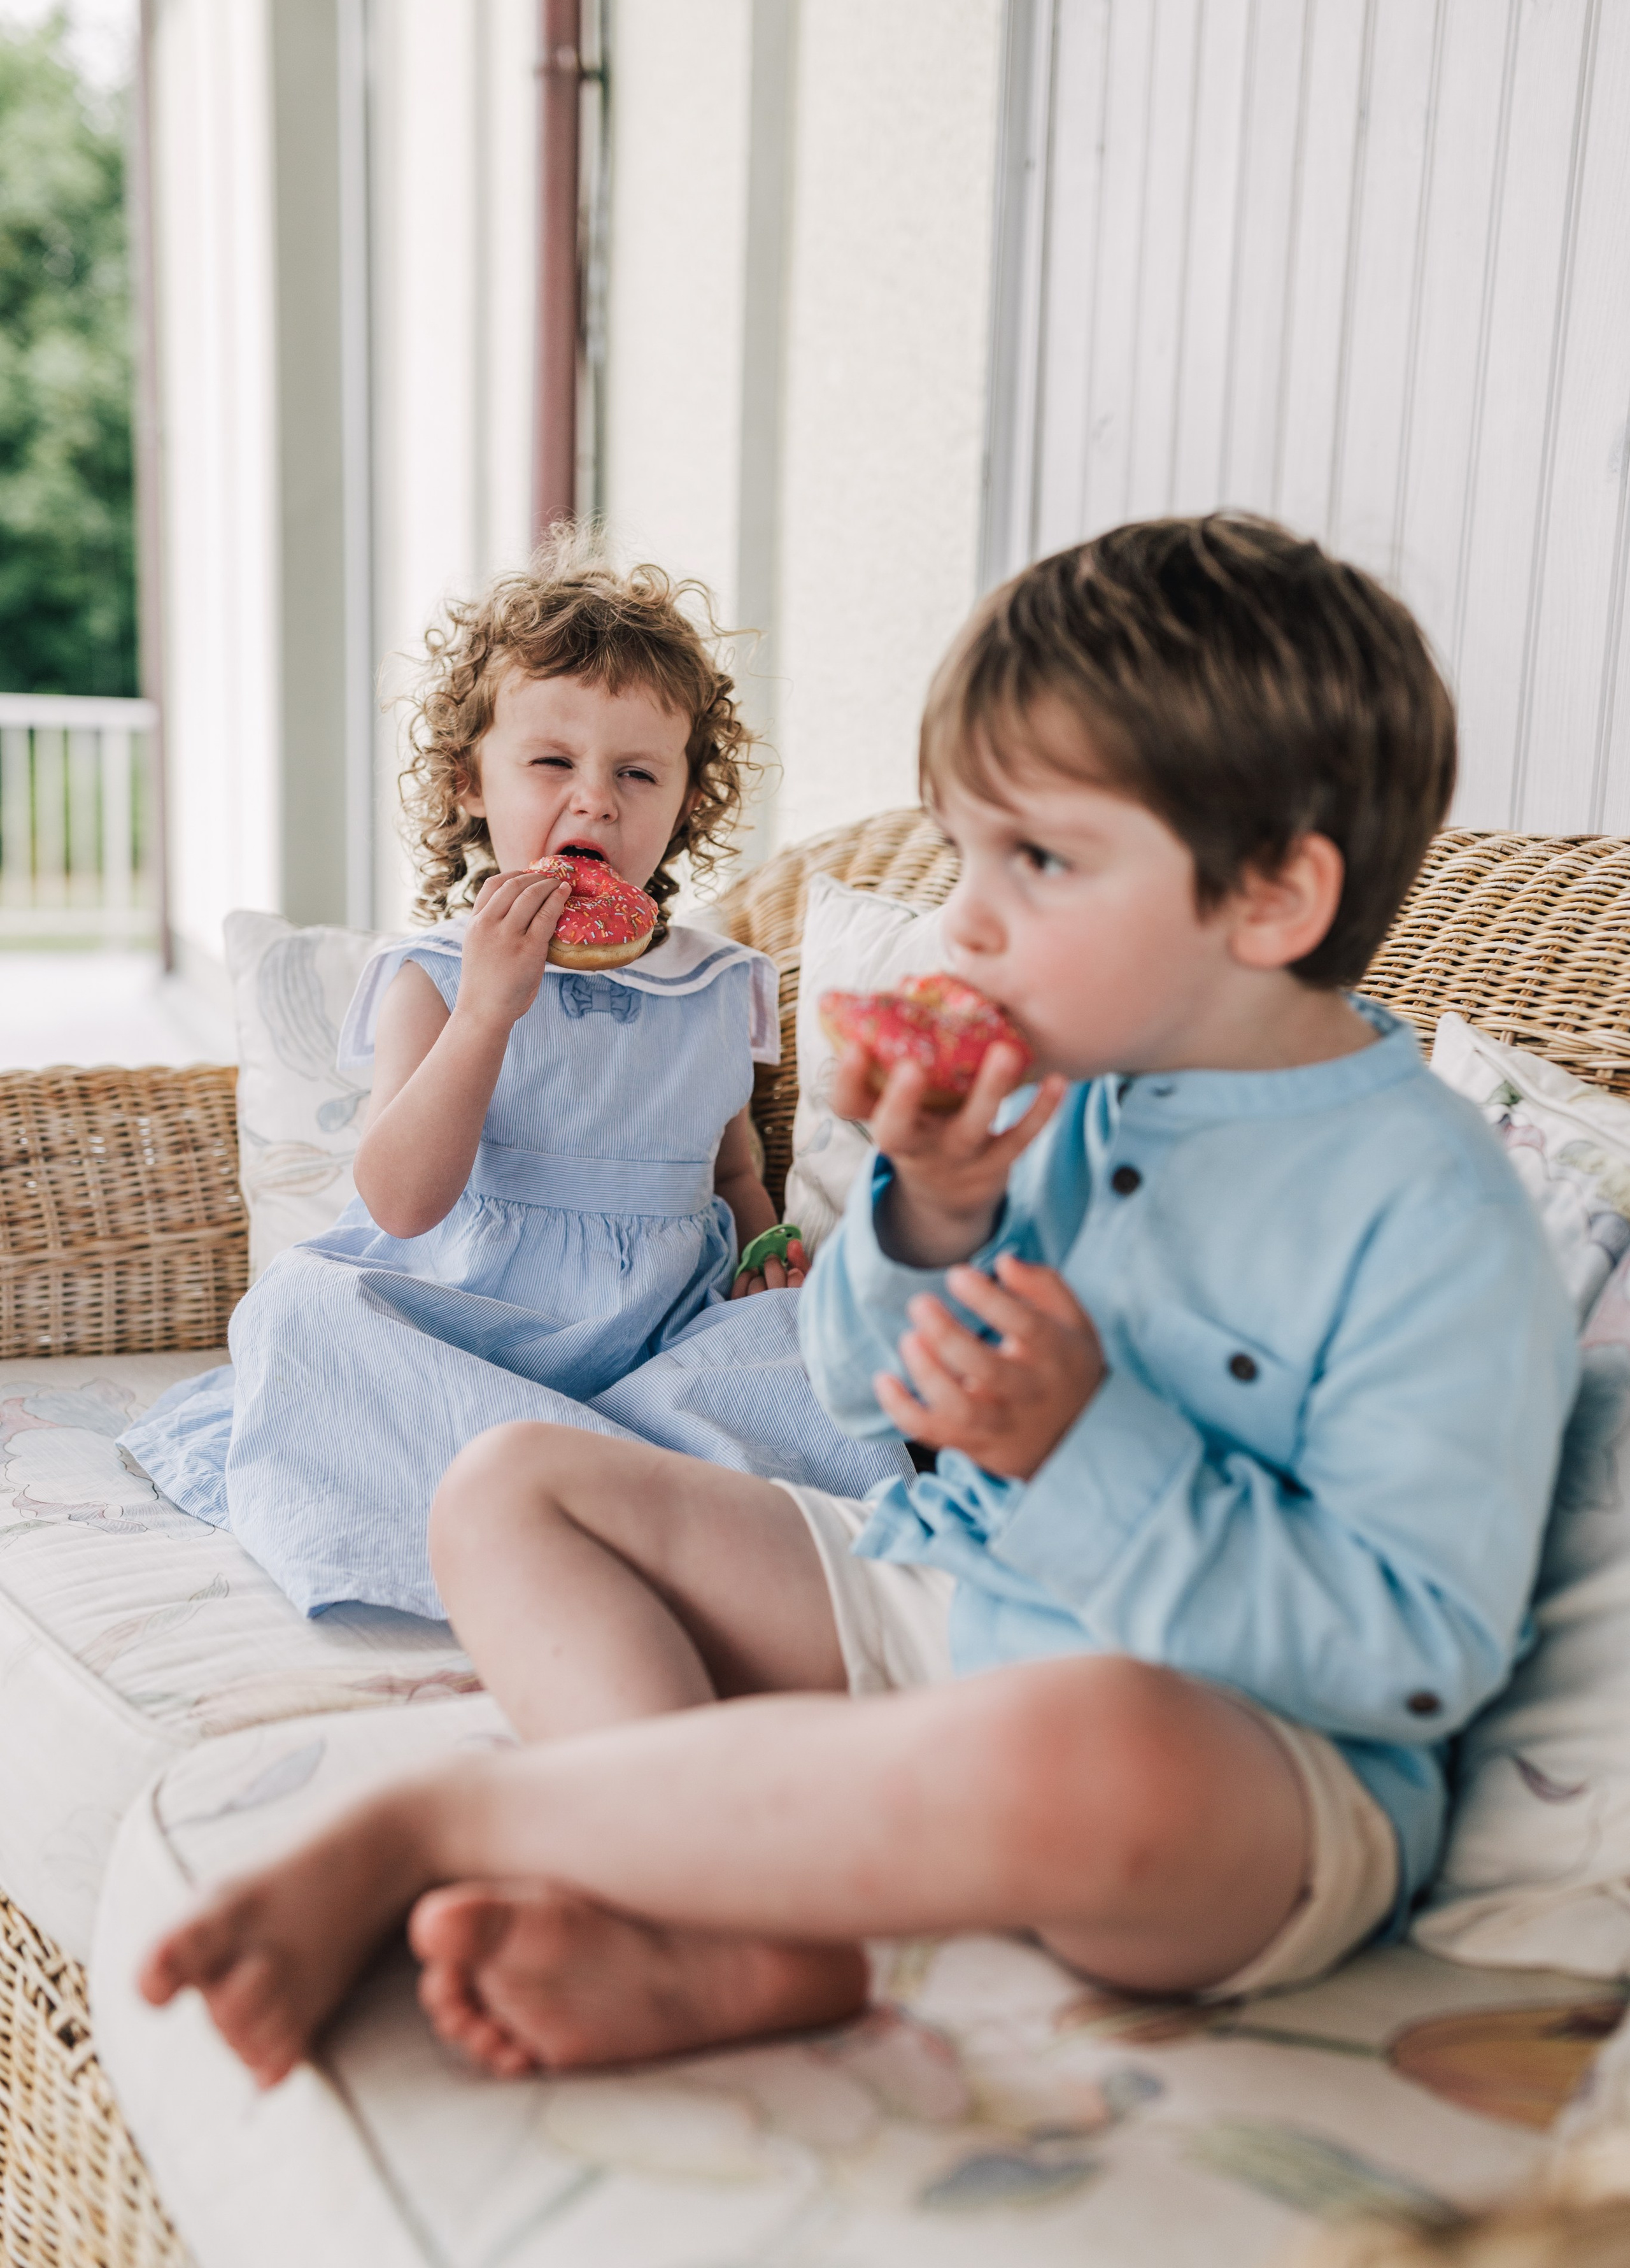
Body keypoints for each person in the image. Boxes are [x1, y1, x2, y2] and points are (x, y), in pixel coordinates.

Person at [139, 514, 1578, 2090]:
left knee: (1098, 1740)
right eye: (960, 854)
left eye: (1030, 861)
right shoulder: (1084, 1100)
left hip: (1255, 1766)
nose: (958, 923)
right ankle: (727, 1923)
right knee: (507, 1486)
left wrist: (1083, 1448)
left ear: (1272, 900)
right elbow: (861, 1384)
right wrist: (933, 1210)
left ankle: (477, 1821)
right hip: (976, 1606)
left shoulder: (1432, 1208)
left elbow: (1408, 1656)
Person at [122, 534, 902, 1618]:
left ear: (687, 802)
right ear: (471, 786)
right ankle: (587, 1512)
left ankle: (619, 1496)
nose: (595, 803)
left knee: (804, 1348)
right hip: (463, 1320)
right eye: (551, 765)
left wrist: (765, 1253)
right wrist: (489, 1010)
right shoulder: (433, 977)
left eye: (639, 773)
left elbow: (733, 1173)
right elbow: (399, 1202)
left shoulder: (722, 984)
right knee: (305, 1313)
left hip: (656, 1337)